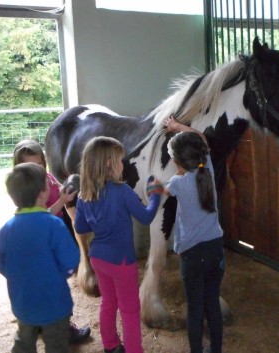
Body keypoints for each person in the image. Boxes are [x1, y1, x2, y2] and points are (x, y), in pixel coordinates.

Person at [74, 136, 162, 353]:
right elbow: (146, 217)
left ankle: (111, 345)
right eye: (120, 160)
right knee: (130, 310)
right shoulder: (121, 191)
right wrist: (154, 197)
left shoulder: (83, 195)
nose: (124, 165)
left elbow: (82, 228)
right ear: (108, 163)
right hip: (121, 260)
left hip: (98, 257)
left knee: (108, 303)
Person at [0, 162, 80, 353]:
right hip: (55, 304)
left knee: (24, 341)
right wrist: (60, 274)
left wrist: (16, 275)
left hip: (22, 303)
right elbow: (71, 261)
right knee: (56, 345)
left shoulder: (6, 229)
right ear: (42, 193)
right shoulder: (54, 225)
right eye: (48, 183)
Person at [12, 139, 91, 344]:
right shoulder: (26, 189)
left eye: (38, 165)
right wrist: (62, 202)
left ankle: (43, 325)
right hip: (45, 243)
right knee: (54, 292)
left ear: (44, 164)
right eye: (27, 166)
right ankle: (62, 329)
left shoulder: (46, 179)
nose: (34, 171)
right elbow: (40, 215)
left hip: (53, 240)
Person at [163, 116, 225, 353]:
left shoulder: (177, 183)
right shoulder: (206, 168)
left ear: (177, 162)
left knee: (195, 309)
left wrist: (151, 185)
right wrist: (178, 127)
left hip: (192, 255)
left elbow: (158, 193)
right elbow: (200, 138)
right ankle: (216, 349)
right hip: (215, 250)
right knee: (212, 305)